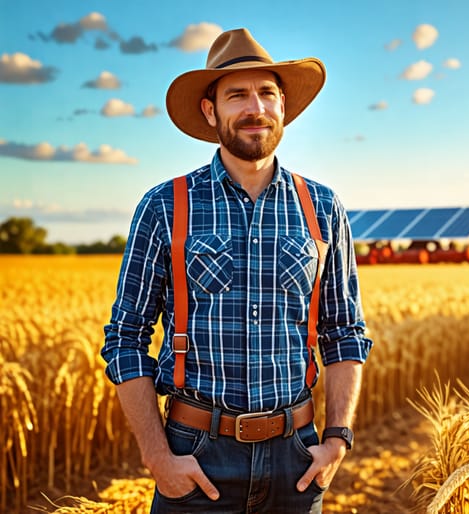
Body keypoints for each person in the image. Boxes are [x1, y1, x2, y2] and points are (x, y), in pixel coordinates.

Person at [101, 28, 372, 513]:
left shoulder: (323, 207)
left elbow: (344, 331)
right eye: (237, 95)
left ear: (283, 106)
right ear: (211, 111)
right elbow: (126, 338)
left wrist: (337, 440)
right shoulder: (166, 205)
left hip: (297, 457)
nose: (255, 108)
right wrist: (158, 455)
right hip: (197, 455)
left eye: (267, 93)